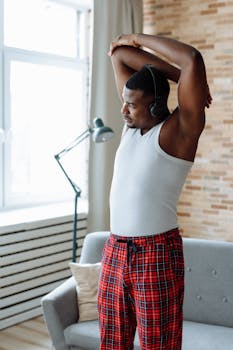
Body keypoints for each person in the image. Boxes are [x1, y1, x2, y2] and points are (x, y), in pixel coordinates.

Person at [97, 33, 212, 350]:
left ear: (157, 105)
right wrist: (179, 78)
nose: (123, 110)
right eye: (124, 101)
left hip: (155, 253)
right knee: (112, 342)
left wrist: (137, 37)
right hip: (115, 250)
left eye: (131, 105)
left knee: (158, 345)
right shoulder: (130, 126)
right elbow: (119, 54)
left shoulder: (179, 132)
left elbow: (191, 59)